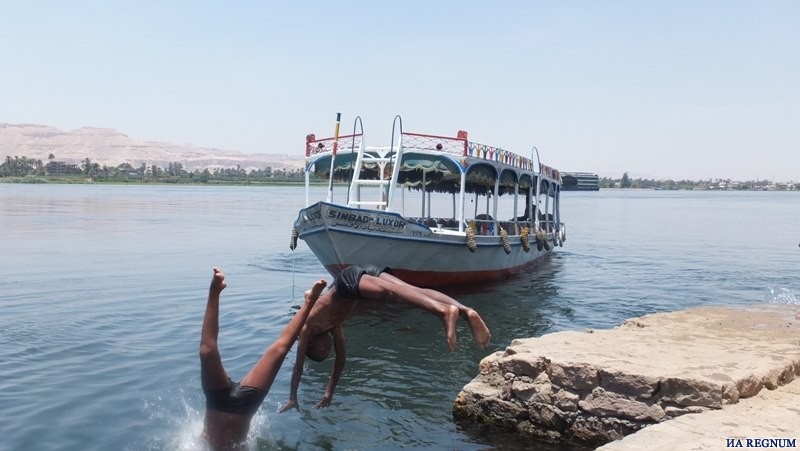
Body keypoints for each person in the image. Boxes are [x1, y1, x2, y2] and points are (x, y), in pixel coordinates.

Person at [278, 265, 491, 412]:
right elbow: (341, 360)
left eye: (322, 351)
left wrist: (292, 397)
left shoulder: (307, 328)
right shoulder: (333, 326)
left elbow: (297, 366)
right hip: (361, 276)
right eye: (327, 352)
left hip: (347, 282)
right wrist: (329, 392)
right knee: (410, 290)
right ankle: (467, 312)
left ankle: (443, 312)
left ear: (311, 345)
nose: (328, 349)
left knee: (391, 293)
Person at [199, 267, 327, 451]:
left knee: (207, 351)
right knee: (279, 351)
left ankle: (215, 290)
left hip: (215, 400)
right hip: (245, 405)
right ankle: (310, 301)